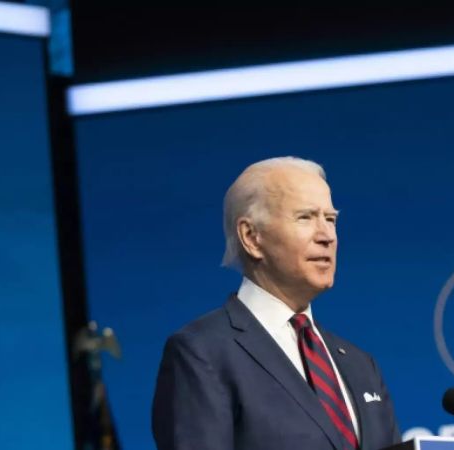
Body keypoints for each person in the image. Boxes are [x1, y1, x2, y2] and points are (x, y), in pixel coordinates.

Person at [152, 156, 401, 450]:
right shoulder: (202, 353)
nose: (327, 236)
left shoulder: (361, 365)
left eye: (331, 219)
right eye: (305, 217)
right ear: (251, 237)